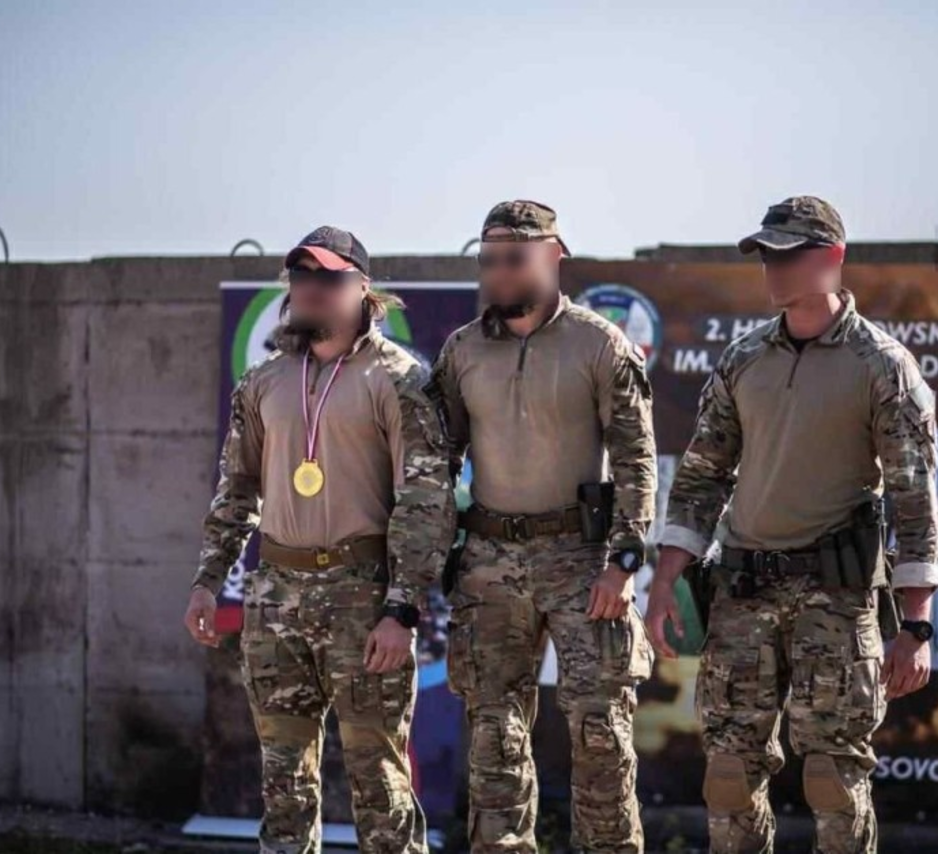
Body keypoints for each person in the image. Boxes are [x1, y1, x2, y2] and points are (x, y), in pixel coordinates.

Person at [645, 196, 938, 854]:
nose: (773, 269)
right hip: (742, 592)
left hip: (835, 598)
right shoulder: (744, 358)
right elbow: (701, 476)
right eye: (765, 256)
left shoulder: (882, 365)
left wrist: (917, 625)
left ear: (833, 257)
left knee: (833, 777)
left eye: (788, 255)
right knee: (728, 775)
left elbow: (914, 499)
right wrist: (665, 581)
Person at [183, 226, 455, 854]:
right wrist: (206, 581)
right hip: (276, 598)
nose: (312, 289)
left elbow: (426, 500)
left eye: (329, 278)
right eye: (302, 277)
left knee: (380, 785)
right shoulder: (263, 381)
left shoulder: (401, 379)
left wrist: (401, 608)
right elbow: (236, 489)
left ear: (362, 288)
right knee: (283, 787)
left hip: (363, 599)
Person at [432, 200, 658, 852]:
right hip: (489, 562)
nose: (499, 272)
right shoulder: (462, 350)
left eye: (515, 258)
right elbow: (435, 462)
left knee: (601, 733)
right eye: (488, 260)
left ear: (554, 256)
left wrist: (624, 561)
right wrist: (434, 557)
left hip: (581, 559)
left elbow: (637, 459)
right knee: (494, 739)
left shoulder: (599, 344)